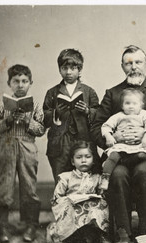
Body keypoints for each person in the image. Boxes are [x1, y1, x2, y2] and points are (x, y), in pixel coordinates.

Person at [90, 45, 146, 243]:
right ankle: (123, 234)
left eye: (138, 62)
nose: (134, 67)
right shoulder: (113, 93)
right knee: (117, 175)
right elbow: (96, 126)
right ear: (122, 66)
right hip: (120, 154)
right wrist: (113, 137)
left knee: (143, 172)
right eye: (128, 63)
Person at [0, 64, 45, 243]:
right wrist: (8, 120)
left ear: (30, 83)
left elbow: (41, 129)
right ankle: (2, 227)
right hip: (7, 146)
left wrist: (29, 122)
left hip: (27, 148)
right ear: (9, 83)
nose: (20, 85)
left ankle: (31, 225)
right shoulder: (3, 105)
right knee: (5, 188)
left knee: (29, 187)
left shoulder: (35, 105)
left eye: (24, 81)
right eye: (16, 81)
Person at [43, 48, 100, 182]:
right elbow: (44, 118)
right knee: (61, 178)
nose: (68, 72)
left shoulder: (88, 91)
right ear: (59, 69)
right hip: (60, 143)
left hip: (84, 139)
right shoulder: (52, 92)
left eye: (73, 68)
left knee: (87, 178)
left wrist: (87, 111)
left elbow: (99, 114)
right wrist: (56, 113)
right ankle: (62, 202)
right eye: (64, 68)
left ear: (79, 70)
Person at [46, 141, 111, 243]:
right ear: (72, 161)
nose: (83, 160)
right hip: (72, 207)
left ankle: (102, 236)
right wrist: (69, 200)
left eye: (87, 157)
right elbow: (57, 198)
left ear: (93, 159)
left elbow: (102, 194)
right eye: (79, 157)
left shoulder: (97, 178)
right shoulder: (66, 177)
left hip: (90, 210)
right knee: (67, 206)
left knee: (101, 203)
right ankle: (60, 239)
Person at [100, 88, 146, 191]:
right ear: (122, 105)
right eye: (127, 103)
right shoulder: (118, 116)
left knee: (142, 155)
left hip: (138, 145)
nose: (131, 106)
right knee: (113, 155)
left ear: (141, 105)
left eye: (135, 103)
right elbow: (106, 126)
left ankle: (123, 161)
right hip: (122, 144)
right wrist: (109, 136)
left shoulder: (144, 115)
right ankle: (105, 177)